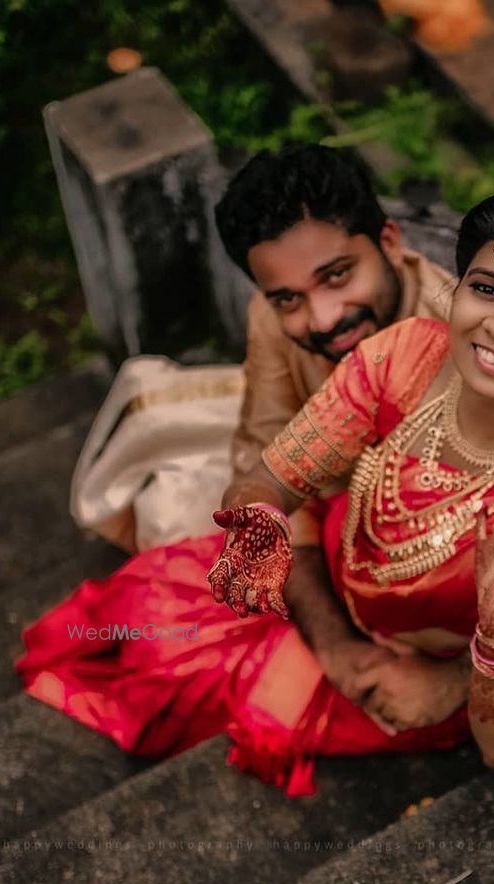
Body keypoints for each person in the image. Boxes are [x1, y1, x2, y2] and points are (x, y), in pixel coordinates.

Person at [18, 175, 494, 792]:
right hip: (319, 574)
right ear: (456, 291)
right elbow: (269, 476)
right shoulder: (405, 354)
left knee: (179, 691)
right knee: (137, 624)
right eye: (486, 288)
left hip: (428, 677)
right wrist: (261, 531)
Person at [69, 143, 454, 704]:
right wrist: (332, 642)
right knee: (143, 642)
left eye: (338, 275)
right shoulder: (272, 322)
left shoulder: (473, 343)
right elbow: (262, 462)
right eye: (289, 298)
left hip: (455, 603)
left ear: (390, 243)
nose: (324, 318)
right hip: (337, 552)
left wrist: (452, 681)